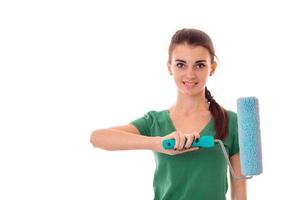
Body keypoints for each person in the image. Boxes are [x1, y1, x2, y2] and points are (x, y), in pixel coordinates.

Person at [90, 28, 247, 200]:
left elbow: (239, 194)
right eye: (181, 64)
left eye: (200, 65)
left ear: (212, 68)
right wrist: (158, 143)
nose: (190, 74)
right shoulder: (155, 122)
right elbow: (98, 138)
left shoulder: (231, 122)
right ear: (169, 67)